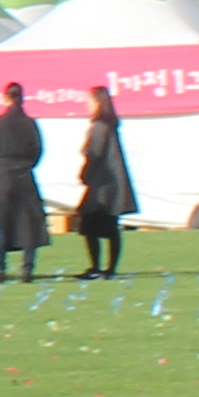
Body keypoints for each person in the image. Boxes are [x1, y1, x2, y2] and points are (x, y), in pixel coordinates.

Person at [0, 79, 49, 281]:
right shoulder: (30, 123)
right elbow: (38, 150)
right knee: (28, 221)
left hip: (2, 176)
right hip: (24, 174)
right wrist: (27, 164)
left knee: (0, 222)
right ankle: (27, 267)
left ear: (6, 98)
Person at [70, 83, 138, 281]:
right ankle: (109, 268)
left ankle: (97, 267)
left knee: (90, 225)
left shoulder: (100, 126)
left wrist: (85, 174)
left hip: (102, 185)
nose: (87, 106)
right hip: (113, 184)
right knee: (110, 227)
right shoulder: (111, 125)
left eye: (90, 102)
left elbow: (95, 154)